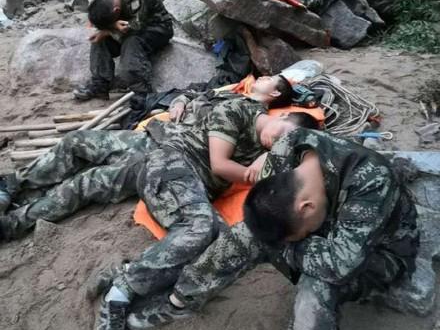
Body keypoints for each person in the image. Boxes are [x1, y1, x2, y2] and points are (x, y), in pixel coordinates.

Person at [111, 129, 420, 330]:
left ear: (307, 207)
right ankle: (181, 300)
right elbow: (265, 210)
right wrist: (278, 242)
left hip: (378, 254)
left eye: (298, 236)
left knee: (318, 285)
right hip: (326, 228)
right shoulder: (288, 147)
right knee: (247, 233)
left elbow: (340, 264)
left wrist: (283, 249)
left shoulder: (371, 181)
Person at [90, 78, 321, 330]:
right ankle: (117, 296)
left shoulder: (270, 149)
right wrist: (251, 172)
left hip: (196, 185)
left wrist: (271, 156)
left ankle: (125, 272)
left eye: (284, 143)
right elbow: (220, 165)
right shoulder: (239, 107)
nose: (277, 142)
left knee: (220, 248)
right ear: (281, 115)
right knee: (200, 228)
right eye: (281, 135)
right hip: (174, 160)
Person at [0, 75, 296, 243]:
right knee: (75, 141)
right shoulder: (231, 94)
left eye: (269, 78)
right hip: (158, 135)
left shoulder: (263, 128)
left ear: (275, 93)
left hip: (171, 160)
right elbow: (191, 94)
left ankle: (15, 222)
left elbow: (248, 166)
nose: (262, 76)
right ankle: (14, 185)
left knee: (88, 182)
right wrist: (180, 101)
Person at [73, 0, 173, 101]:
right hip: (125, 27)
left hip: (156, 28)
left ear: (117, 11)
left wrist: (109, 30)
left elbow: (136, 26)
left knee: (131, 41)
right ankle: (100, 84)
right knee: (99, 39)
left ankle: (142, 92)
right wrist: (104, 30)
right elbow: (97, 14)